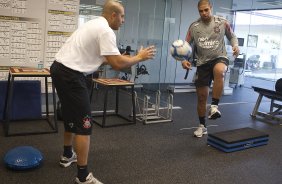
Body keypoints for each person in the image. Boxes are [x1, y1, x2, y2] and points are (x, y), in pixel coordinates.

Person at [50, 1, 156, 183]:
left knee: (70, 114)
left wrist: (131, 57)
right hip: (72, 75)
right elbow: (116, 64)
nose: (123, 21)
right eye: (122, 16)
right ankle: (82, 176)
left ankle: (68, 154)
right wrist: (139, 57)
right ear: (113, 15)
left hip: (59, 69)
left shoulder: (93, 23)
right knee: (84, 124)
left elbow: (106, 59)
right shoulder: (106, 30)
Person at [181, 0, 240, 138]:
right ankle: (202, 126)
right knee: (201, 98)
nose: (204, 13)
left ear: (211, 8)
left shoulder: (222, 22)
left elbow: (232, 36)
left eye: (206, 10)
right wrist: (184, 60)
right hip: (202, 63)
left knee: (219, 70)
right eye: (201, 11)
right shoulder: (194, 27)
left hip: (219, 57)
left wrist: (235, 46)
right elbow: (186, 45)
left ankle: (214, 107)